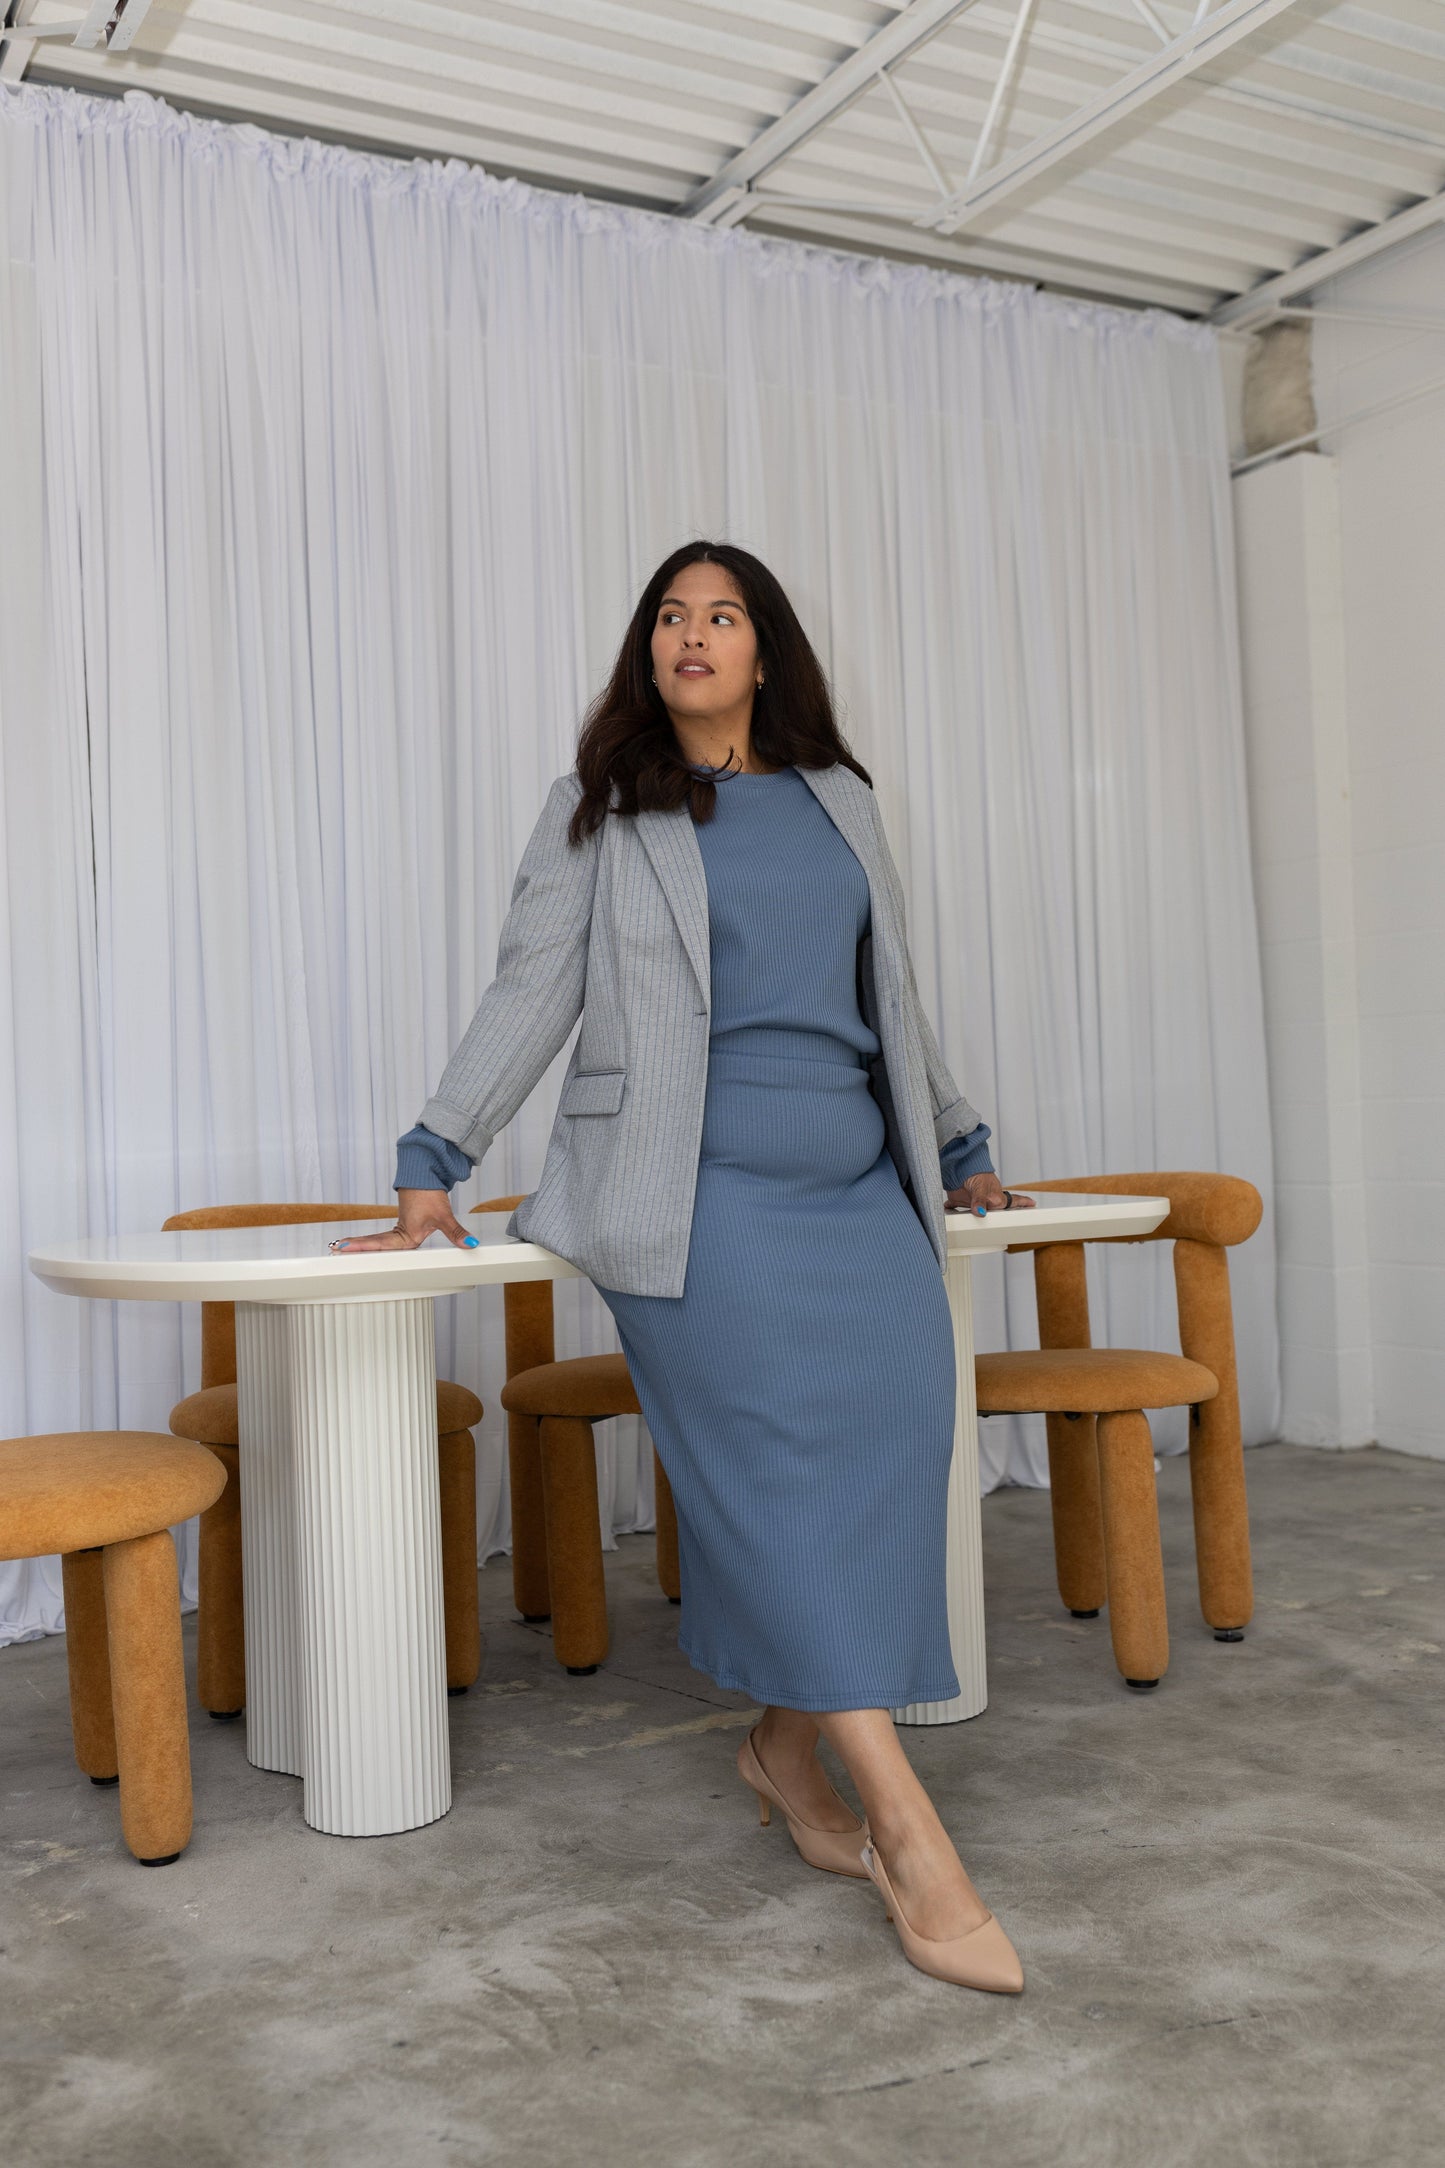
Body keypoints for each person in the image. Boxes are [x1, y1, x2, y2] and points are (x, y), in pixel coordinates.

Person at [335, 541, 1035, 1992]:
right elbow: (531, 988)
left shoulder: (840, 803)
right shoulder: (603, 805)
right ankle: (909, 1836)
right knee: (774, 1478)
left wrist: (961, 1137)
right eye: (670, 616)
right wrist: (432, 1152)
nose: (691, 635)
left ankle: (782, 1746)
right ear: (648, 651)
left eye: (721, 615)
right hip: (690, 1194)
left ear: (765, 651)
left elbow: (892, 995)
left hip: (855, 1186)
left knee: (902, 1434)